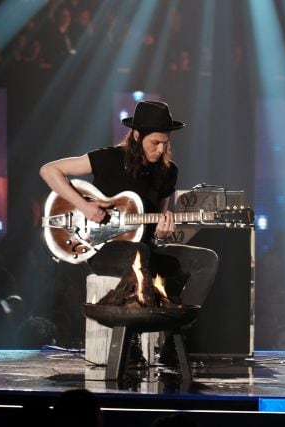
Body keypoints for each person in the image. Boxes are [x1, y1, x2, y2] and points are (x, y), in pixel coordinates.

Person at [39, 100, 218, 366]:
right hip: (103, 249)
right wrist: (85, 206)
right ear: (137, 136)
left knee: (206, 259)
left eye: (165, 143)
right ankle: (130, 341)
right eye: (154, 142)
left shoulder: (169, 172)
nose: (161, 149)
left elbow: (155, 227)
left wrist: (162, 234)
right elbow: (49, 170)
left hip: (144, 249)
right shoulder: (108, 158)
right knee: (140, 252)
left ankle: (172, 340)